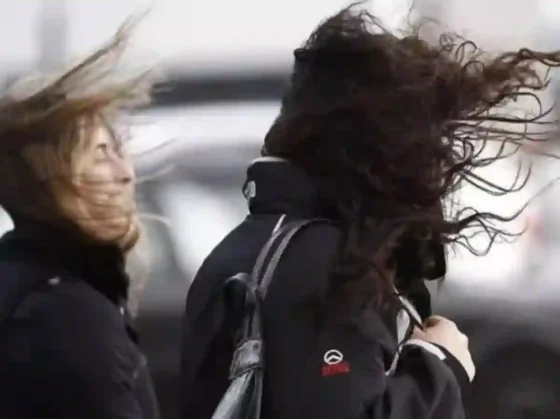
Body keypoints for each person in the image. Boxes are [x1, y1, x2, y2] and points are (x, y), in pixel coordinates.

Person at [180, 5, 560, 419]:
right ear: (378, 153)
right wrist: (437, 365)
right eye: (423, 144)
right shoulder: (321, 262)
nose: (434, 167)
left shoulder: (245, 248)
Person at [0, 20, 159, 419]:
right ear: (47, 177)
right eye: (102, 153)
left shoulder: (30, 286)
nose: (127, 173)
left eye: (121, 152)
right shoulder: (64, 313)